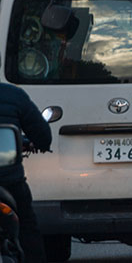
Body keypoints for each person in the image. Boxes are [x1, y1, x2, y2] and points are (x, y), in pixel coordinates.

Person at [0, 82, 52, 263]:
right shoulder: (14, 95)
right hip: (10, 182)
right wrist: (32, 142)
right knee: (28, 229)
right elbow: (43, 135)